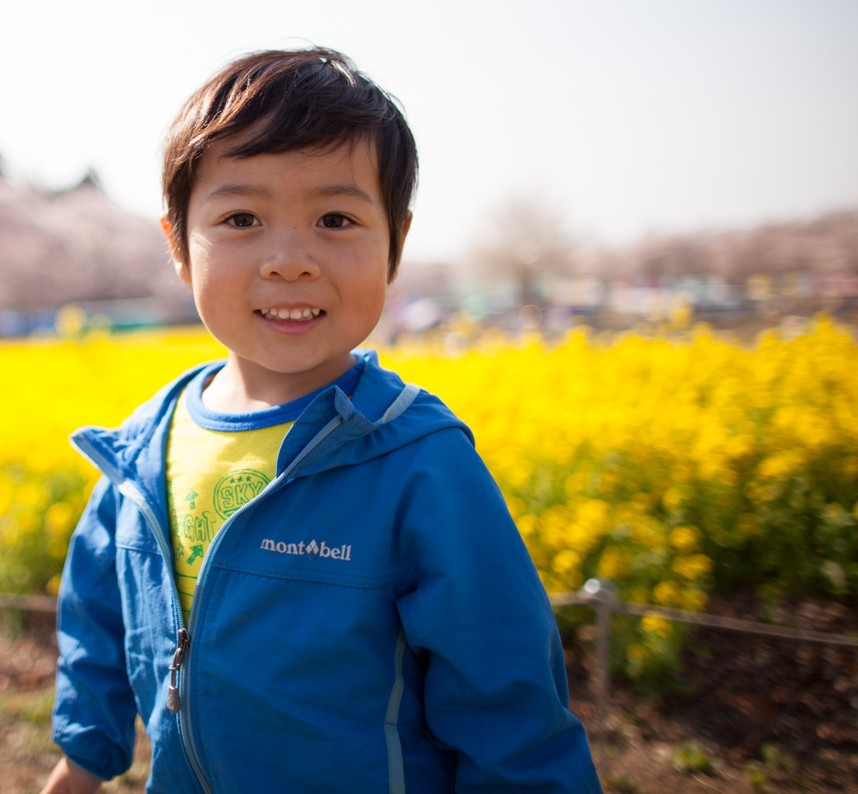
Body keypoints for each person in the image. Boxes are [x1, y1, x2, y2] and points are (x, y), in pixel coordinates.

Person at [40, 48, 601, 793]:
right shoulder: (147, 446)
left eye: (335, 218)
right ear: (178, 243)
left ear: (395, 243)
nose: (290, 259)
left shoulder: (417, 460)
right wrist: (82, 759)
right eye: (241, 218)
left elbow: (508, 704)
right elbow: (99, 619)